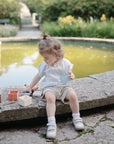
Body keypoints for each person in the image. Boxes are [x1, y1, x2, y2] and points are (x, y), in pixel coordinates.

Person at [23, 34, 84, 139]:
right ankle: (51, 124)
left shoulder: (65, 63)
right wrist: (30, 86)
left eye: (47, 58)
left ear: (57, 55)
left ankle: (76, 118)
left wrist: (72, 76)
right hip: (50, 87)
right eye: (43, 58)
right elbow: (38, 76)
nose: (45, 60)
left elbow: (70, 74)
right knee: (50, 98)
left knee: (73, 95)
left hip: (63, 87)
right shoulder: (45, 65)